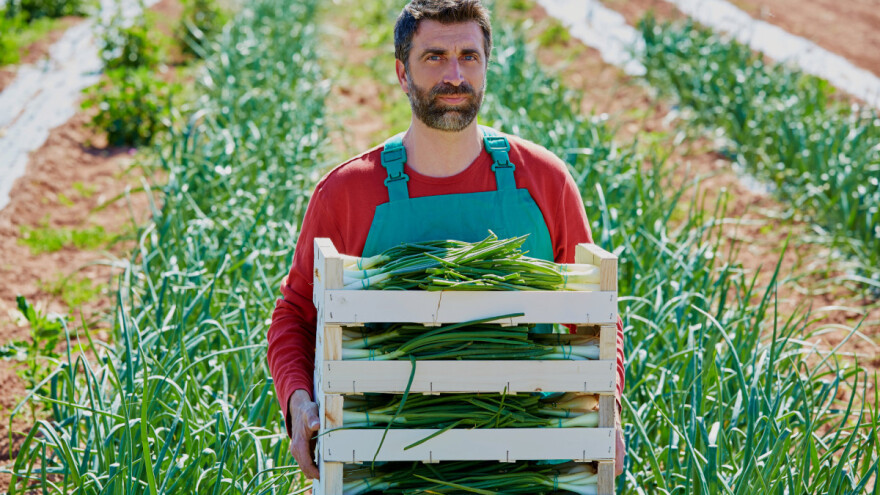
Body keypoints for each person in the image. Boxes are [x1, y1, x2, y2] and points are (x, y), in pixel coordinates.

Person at [267, 0, 626, 481]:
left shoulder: (543, 180)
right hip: (383, 461)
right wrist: (298, 401)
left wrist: (609, 406)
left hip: (527, 457)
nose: (454, 75)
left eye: (469, 57)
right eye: (434, 57)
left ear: (486, 66)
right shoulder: (349, 191)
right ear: (401, 72)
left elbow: (596, 315)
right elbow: (295, 313)